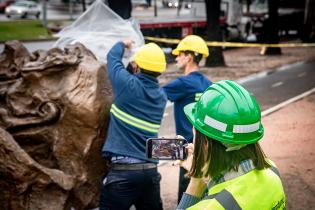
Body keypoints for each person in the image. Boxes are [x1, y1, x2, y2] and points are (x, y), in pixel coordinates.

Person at [177, 80, 286, 209]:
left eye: (195, 130)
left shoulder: (213, 206)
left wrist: (196, 183)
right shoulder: (272, 171)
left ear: (205, 142)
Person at [100, 40, 167, 210]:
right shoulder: (161, 97)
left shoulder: (127, 85)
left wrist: (123, 43)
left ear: (137, 66)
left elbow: (112, 58)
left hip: (123, 174)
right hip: (150, 172)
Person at [163, 34, 212, 202]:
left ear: (189, 57)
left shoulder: (182, 83)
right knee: (204, 192)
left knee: (187, 197)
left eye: (180, 54)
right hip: (207, 146)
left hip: (185, 148)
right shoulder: (208, 84)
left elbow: (154, 96)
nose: (176, 58)